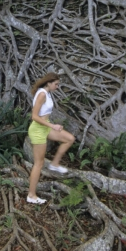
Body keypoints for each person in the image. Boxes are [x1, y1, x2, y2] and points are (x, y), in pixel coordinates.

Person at [27, 72, 75, 204]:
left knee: (69, 138)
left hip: (45, 128)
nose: (57, 87)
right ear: (48, 82)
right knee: (39, 164)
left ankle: (54, 164)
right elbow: (34, 116)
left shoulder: (47, 93)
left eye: (58, 84)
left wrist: (50, 126)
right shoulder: (42, 94)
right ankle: (31, 195)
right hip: (38, 130)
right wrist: (52, 125)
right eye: (56, 84)